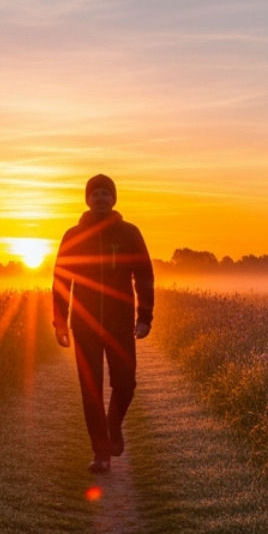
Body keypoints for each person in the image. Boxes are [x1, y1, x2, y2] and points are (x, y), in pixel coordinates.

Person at [52, 174, 153, 473]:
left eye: (105, 194)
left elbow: (144, 276)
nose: (100, 199)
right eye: (95, 194)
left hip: (120, 323)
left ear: (114, 199)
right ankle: (101, 453)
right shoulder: (72, 236)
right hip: (83, 325)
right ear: (87, 199)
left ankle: (112, 426)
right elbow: (61, 279)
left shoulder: (130, 233)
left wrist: (144, 317)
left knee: (125, 383)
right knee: (91, 389)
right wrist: (59, 321)